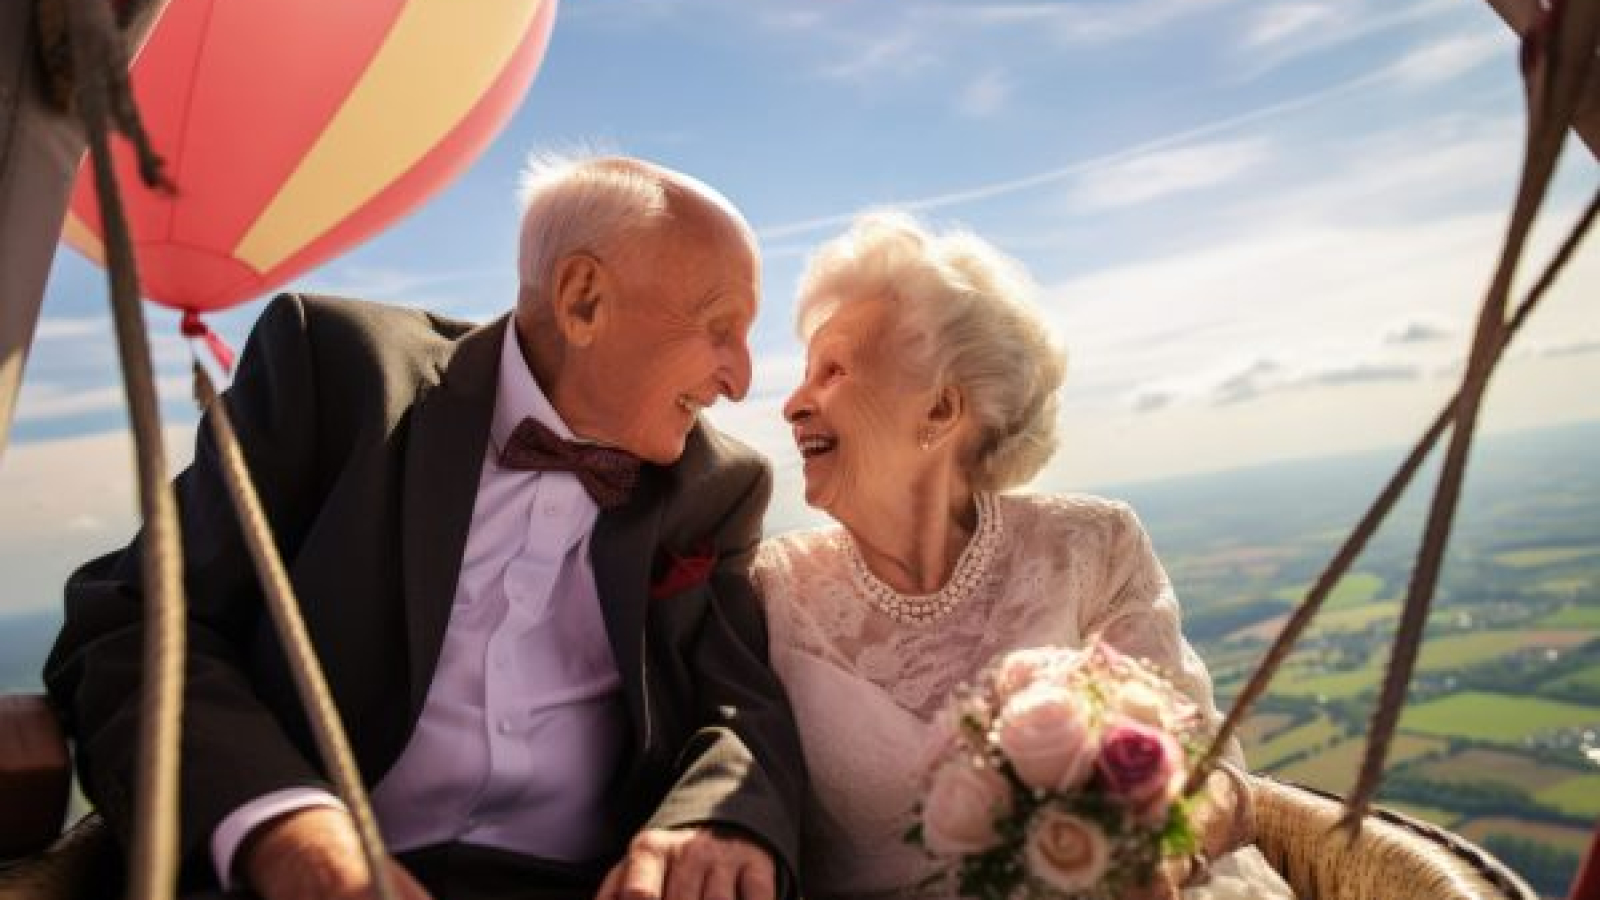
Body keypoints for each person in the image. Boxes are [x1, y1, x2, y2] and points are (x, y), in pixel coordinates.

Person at [45, 155, 807, 900]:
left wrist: (720, 816)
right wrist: (290, 830)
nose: (740, 380)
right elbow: (130, 621)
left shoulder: (720, 487)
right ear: (582, 300)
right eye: (720, 328)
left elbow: (740, 707)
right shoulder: (336, 371)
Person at [753, 211, 1294, 900]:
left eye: (832, 371)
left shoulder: (1092, 546)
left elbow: (1213, 776)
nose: (793, 406)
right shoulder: (771, 589)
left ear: (942, 411)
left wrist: (1151, 857)